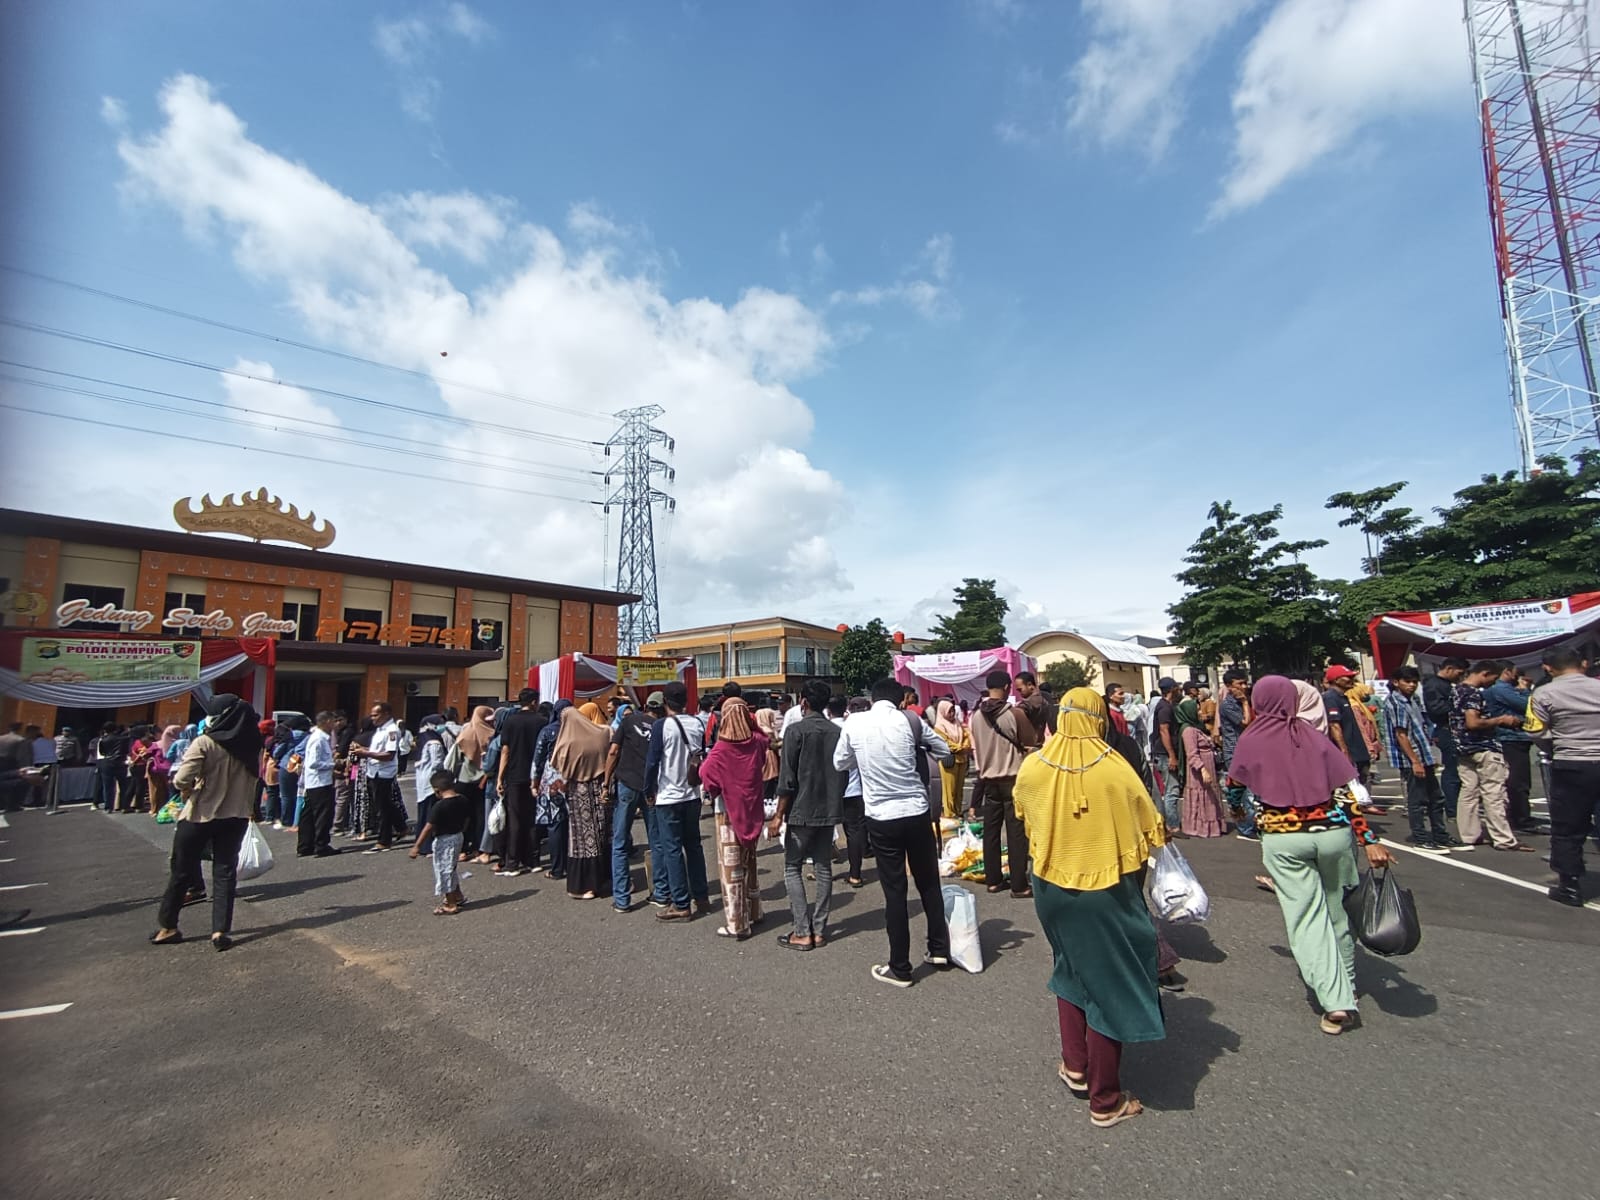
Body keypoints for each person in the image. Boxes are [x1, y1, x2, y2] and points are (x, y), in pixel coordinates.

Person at [1014, 688, 1168, 1127]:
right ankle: (1106, 1099)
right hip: (1104, 889)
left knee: (1070, 967)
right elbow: (1150, 827)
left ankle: (1076, 1064)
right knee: (1111, 982)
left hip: (1050, 886)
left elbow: (1026, 816)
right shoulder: (1115, 770)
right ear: (1099, 719)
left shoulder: (1034, 766)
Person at [1228, 675, 1394, 1036]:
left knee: (1305, 917)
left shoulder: (1251, 739)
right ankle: (1347, 982)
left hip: (1283, 838)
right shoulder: (1314, 737)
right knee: (1339, 912)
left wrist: (1238, 811)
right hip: (1333, 834)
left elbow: (1235, 787)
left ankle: (1336, 1002)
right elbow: (1346, 792)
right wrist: (1368, 840)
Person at [833, 677, 953, 988]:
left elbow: (840, 762)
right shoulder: (911, 719)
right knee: (928, 882)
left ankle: (900, 966)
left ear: (872, 698)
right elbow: (943, 749)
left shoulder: (855, 723)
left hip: (881, 817)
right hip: (916, 811)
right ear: (901, 700)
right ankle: (939, 949)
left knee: (895, 892)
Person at [150, 693, 264, 951]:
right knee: (224, 873)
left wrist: (191, 786)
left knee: (181, 870)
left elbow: (181, 779)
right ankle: (220, 931)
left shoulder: (205, 742)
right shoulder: (253, 745)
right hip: (235, 816)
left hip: (199, 814)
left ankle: (168, 926)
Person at [772, 680, 844, 950]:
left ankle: (802, 930)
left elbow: (787, 778)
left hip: (801, 809)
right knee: (823, 867)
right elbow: (844, 771)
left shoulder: (795, 731)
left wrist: (778, 815)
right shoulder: (836, 732)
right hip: (828, 809)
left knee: (793, 867)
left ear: (803, 702)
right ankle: (820, 929)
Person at [1532, 649, 1600, 906]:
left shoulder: (1544, 693)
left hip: (1571, 762)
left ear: (1548, 668)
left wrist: (1554, 747)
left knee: (1568, 828)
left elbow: (1536, 731)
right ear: (1582, 665)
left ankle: (1569, 886)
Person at [699, 695, 769, 939]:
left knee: (731, 868)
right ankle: (754, 911)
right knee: (750, 862)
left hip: (728, 812)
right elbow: (765, 741)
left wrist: (718, 787)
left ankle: (737, 923)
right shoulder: (759, 741)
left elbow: (705, 774)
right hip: (753, 809)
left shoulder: (721, 750)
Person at [1451, 662, 1533, 853]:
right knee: (1493, 793)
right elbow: (1473, 722)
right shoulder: (1473, 693)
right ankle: (1503, 838)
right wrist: (1501, 720)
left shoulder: (1456, 691)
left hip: (1463, 747)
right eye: (1493, 679)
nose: (1492, 683)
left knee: (1468, 791)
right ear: (1485, 674)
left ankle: (1469, 834)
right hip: (1483, 747)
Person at [646, 681, 710, 921]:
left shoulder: (662, 725)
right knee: (694, 845)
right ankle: (702, 896)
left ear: (665, 702)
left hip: (668, 795)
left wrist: (648, 790)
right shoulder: (697, 723)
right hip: (692, 793)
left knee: (672, 848)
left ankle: (681, 903)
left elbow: (652, 762)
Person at [970, 669, 1033, 898]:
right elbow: (1030, 742)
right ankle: (1019, 885)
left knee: (991, 831)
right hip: (1012, 778)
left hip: (988, 780)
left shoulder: (975, 716)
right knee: (1016, 833)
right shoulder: (1013, 714)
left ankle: (993, 880)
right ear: (1007, 687)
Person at [549, 703, 614, 900]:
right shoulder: (603, 733)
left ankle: (583, 886)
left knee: (580, 841)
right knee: (602, 836)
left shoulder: (566, 742)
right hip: (601, 790)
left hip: (578, 793)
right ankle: (603, 881)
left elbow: (558, 768)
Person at [1384, 667, 1453, 853]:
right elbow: (1401, 734)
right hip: (1412, 760)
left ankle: (1440, 835)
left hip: (1424, 755)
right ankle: (1421, 838)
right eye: (1407, 681)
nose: (1412, 685)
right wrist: (1415, 761)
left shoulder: (1412, 700)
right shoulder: (1395, 702)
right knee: (1417, 799)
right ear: (1396, 682)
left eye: (1414, 681)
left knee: (1436, 798)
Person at [606, 698, 660, 912]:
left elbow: (613, 752)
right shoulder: (660, 726)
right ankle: (660, 892)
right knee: (656, 841)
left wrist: (605, 781)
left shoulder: (628, 722)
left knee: (619, 842)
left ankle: (622, 899)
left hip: (626, 784)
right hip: (650, 787)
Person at [495, 689, 547, 878]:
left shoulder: (510, 721)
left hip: (515, 775)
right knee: (533, 817)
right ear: (534, 702)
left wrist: (500, 778)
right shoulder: (542, 721)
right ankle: (533, 860)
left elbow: (505, 751)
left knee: (515, 819)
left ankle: (513, 862)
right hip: (537, 776)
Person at [1486, 660, 1539, 833]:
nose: (1518, 677)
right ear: (1507, 672)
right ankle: (1520, 818)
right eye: (1516, 673)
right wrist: (1524, 690)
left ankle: (1519, 816)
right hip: (1511, 737)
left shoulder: (1505, 689)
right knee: (1518, 781)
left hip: (1516, 738)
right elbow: (1528, 706)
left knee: (1518, 779)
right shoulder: (1501, 689)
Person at [409, 769, 469, 915]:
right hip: (458, 836)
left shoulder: (439, 806)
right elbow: (468, 818)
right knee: (451, 866)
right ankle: (458, 895)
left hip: (444, 839)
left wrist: (417, 846)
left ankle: (451, 903)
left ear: (437, 790)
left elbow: (428, 827)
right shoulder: (463, 799)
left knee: (444, 870)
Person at [350, 701, 402, 852]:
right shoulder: (380, 730)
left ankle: (384, 840)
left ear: (386, 714)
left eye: (376, 715)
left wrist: (365, 753)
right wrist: (363, 749)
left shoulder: (391, 730)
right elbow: (377, 749)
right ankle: (401, 826)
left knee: (382, 808)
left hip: (383, 772)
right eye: (371, 715)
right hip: (374, 770)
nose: (373, 718)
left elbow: (389, 755)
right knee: (384, 803)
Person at [1422, 657, 1469, 818]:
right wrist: (1459, 705)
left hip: (1453, 730)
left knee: (1460, 770)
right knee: (1453, 770)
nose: (1460, 677)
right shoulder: (1434, 685)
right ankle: (1452, 808)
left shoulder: (1447, 685)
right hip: (1445, 730)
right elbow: (1436, 709)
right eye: (1459, 673)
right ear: (1449, 669)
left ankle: (1457, 807)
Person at [830, 695, 869, 888]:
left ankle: (822, 872)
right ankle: (856, 874)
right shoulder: (856, 728)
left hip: (831, 789)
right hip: (855, 788)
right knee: (854, 831)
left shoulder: (827, 729)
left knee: (825, 830)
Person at [1175, 697, 1228, 837]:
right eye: (1197, 709)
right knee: (1201, 797)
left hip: (1207, 766)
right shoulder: (1189, 731)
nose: (1200, 711)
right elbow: (1192, 754)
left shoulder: (1196, 728)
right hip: (1199, 771)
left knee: (1209, 795)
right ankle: (1199, 827)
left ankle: (1212, 826)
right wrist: (1202, 769)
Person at [450, 705, 496, 860]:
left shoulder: (465, 735)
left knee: (463, 815)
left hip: (464, 780)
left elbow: (450, 761)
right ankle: (479, 848)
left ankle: (462, 850)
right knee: (481, 815)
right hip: (484, 781)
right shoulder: (492, 735)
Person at [1321, 666, 1374, 795]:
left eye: (1352, 677)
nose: (1352, 680)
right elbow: (1334, 725)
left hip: (1357, 749)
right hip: (1349, 751)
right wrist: (1344, 751)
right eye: (1348, 677)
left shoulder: (1343, 697)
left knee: (1363, 780)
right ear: (1336, 679)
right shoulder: (1330, 698)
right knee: (1349, 789)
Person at [1217, 670, 1256, 839]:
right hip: (1235, 752)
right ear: (1229, 686)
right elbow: (1246, 723)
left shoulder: (1245, 701)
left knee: (1253, 791)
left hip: (1249, 750)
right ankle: (1245, 827)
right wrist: (1245, 703)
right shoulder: (1229, 705)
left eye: (1245, 683)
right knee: (1240, 792)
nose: (1244, 687)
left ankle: (1252, 823)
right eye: (1239, 684)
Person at [296, 710, 340, 858]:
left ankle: (305, 845)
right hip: (319, 782)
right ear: (327, 721)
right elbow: (314, 763)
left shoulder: (321, 738)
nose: (334, 724)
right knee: (322, 815)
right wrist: (332, 764)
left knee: (308, 815)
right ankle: (320, 845)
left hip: (315, 782)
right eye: (333, 721)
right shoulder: (318, 739)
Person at [1147, 678, 1183, 830]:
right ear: (1172, 689)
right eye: (1177, 687)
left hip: (1162, 753)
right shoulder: (1164, 708)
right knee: (1171, 790)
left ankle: (1171, 823)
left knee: (1171, 789)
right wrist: (1171, 755)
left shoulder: (1166, 706)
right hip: (1164, 754)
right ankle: (1173, 825)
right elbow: (1164, 730)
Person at [411, 715, 449, 854]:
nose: (442, 726)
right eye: (439, 724)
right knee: (431, 814)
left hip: (422, 779)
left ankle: (421, 842)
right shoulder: (434, 742)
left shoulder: (422, 738)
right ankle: (428, 845)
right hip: (432, 780)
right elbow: (437, 763)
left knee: (423, 811)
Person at [932, 699, 971, 820]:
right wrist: (958, 748)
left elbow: (966, 736)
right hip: (949, 760)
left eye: (953, 710)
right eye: (949, 711)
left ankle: (958, 811)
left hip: (962, 759)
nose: (952, 714)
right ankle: (950, 814)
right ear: (943, 712)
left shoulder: (958, 724)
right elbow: (943, 741)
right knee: (949, 790)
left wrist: (965, 745)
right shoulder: (939, 727)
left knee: (959, 788)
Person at [94, 722, 128, 814]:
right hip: (120, 762)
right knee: (123, 785)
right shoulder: (123, 739)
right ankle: (124, 806)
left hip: (107, 762)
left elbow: (102, 752)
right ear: (115, 729)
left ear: (105, 730)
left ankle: (108, 807)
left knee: (108, 786)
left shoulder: (103, 740)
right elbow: (126, 750)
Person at [145, 725, 179, 814]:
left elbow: (147, 754)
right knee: (167, 790)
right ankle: (167, 809)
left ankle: (155, 809)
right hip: (170, 770)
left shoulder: (156, 744)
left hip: (156, 769)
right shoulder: (178, 742)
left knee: (155, 790)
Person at [1015, 671, 1052, 743]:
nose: (1019, 693)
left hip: (1030, 745)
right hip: (1038, 743)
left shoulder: (1032, 702)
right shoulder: (1043, 700)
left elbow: (1020, 711)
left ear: (1030, 685)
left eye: (1020, 689)